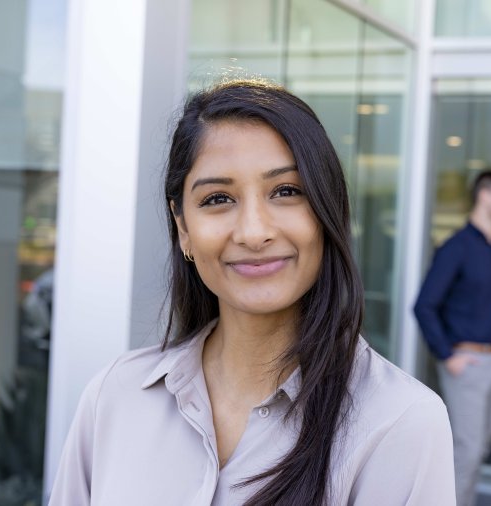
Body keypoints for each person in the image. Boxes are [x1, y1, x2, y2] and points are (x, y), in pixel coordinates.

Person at [49, 80, 455, 506]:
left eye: (286, 191)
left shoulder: (400, 421)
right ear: (183, 227)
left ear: (327, 208)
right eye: (218, 198)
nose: (254, 232)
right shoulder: (115, 395)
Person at [414, 170, 491, 506]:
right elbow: (424, 305)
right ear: (485, 196)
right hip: (468, 364)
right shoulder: (456, 247)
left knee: (478, 451)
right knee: (467, 451)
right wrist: (448, 355)